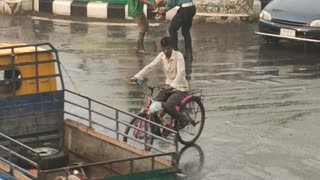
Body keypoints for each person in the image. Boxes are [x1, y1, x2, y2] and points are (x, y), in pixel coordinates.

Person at [131, 36, 190, 129]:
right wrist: (137, 76)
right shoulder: (161, 56)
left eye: (168, 49)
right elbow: (150, 67)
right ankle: (158, 130)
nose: (166, 51)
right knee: (154, 104)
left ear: (172, 47)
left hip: (180, 88)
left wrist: (172, 86)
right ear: (161, 48)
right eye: (164, 49)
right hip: (167, 88)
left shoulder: (179, 56)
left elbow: (181, 73)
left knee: (169, 106)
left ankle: (184, 119)